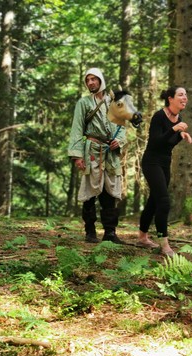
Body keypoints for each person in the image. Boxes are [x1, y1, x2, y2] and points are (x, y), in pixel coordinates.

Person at [68, 68, 127, 244]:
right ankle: (90, 232)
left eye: (94, 79)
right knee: (90, 192)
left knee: (110, 192)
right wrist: (77, 156)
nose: (91, 83)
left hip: (110, 153)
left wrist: (119, 141)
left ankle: (110, 233)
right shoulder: (83, 103)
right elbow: (77, 129)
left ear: (101, 80)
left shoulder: (115, 102)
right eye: (88, 80)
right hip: (92, 150)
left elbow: (121, 127)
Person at [137, 87, 192, 256]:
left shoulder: (179, 118)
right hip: (151, 162)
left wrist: (179, 136)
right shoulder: (159, 116)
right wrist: (174, 130)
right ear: (170, 99)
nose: (185, 97)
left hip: (164, 163)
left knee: (154, 200)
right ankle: (165, 244)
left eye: (185, 95)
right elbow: (155, 142)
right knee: (164, 201)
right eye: (181, 95)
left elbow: (168, 144)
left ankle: (142, 237)